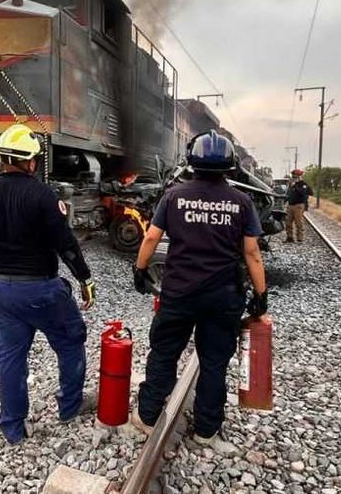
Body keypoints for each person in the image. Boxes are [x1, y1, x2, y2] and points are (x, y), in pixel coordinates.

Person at [0, 124, 98, 445]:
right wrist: (84, 279)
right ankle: (70, 405)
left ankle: (13, 427)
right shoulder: (43, 197)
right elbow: (66, 244)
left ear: (3, 159)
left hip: (2, 292)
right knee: (71, 337)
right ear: (31, 162)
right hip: (41, 290)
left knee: (10, 356)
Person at [130, 130, 268, 451]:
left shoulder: (175, 196)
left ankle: (148, 416)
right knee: (214, 362)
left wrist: (140, 269)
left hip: (179, 293)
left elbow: (151, 239)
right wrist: (261, 294)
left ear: (192, 162)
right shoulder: (242, 202)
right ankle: (206, 430)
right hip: (223, 297)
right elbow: (252, 254)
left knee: (164, 354)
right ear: (230, 165)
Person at [285, 168, 313, 243]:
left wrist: (295, 186)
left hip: (298, 205)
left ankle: (299, 238)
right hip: (290, 205)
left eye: (295, 177)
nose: (294, 178)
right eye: (293, 177)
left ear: (299, 177)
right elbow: (288, 194)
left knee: (298, 222)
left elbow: (304, 193)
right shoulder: (291, 184)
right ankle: (289, 237)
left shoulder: (303, 184)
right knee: (288, 222)